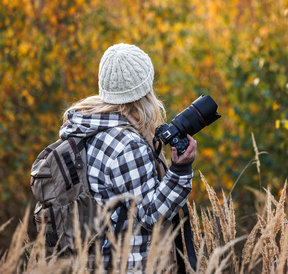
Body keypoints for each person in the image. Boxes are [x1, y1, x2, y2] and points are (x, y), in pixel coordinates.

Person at [59, 43, 196, 272]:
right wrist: (180, 171)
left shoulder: (89, 130)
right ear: (145, 91)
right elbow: (151, 215)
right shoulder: (128, 146)